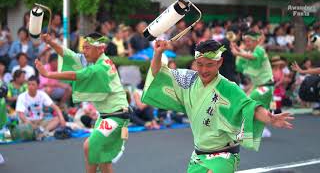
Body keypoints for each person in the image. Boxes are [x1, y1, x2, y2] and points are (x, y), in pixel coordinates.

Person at [142, 39, 294, 173]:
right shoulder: (188, 80)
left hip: (223, 155)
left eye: (209, 65)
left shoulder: (228, 88)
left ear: (219, 62)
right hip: (198, 154)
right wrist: (158, 53)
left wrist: (270, 118)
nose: (203, 70)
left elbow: (249, 107)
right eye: (199, 64)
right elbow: (159, 74)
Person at [35, 32, 130, 173]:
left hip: (117, 117)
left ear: (99, 48)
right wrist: (51, 42)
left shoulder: (101, 67)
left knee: (91, 147)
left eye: (87, 48)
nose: (83, 51)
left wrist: (48, 74)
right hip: (106, 116)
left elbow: (78, 75)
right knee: (99, 155)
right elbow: (70, 55)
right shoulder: (96, 61)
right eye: (83, 47)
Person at [231, 31, 275, 137]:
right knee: (255, 108)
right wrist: (238, 50)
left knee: (249, 104)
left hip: (266, 86)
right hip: (257, 86)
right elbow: (242, 63)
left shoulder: (260, 50)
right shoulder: (248, 53)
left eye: (249, 41)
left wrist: (239, 53)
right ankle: (257, 130)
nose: (247, 43)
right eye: (245, 41)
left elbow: (254, 57)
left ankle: (250, 131)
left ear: (256, 41)